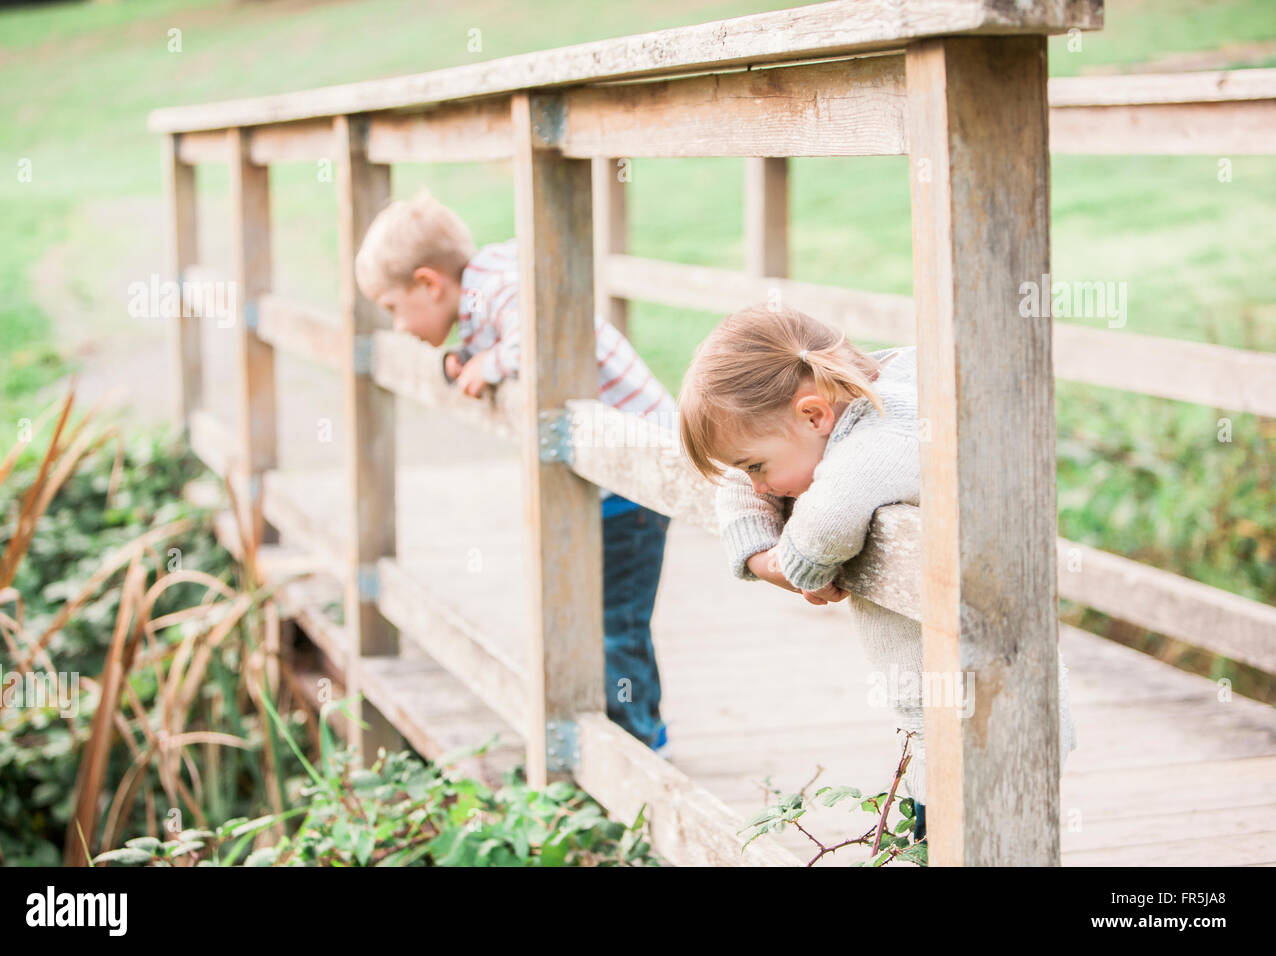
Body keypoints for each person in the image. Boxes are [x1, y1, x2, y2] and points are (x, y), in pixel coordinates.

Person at [676, 303, 1076, 846]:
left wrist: (794, 567)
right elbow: (736, 480)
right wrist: (758, 555)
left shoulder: (888, 434)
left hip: (989, 714)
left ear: (815, 416)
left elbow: (827, 525)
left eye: (758, 468)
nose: (760, 488)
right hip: (944, 714)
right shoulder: (859, 394)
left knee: (980, 847)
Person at [354, 187, 675, 755]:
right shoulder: (482, 290)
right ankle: (624, 732)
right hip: (606, 484)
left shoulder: (501, 287)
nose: (397, 325)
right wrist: (467, 362)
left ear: (430, 284)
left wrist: (490, 363)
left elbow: (540, 333)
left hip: (636, 479)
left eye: (392, 308)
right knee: (593, 613)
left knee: (614, 620)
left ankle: (640, 748)